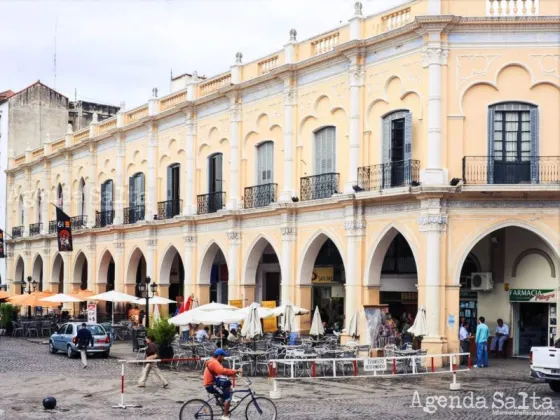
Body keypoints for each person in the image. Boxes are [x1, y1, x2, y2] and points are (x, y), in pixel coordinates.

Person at [203, 349, 242, 420]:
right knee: (228, 397)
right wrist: (234, 371)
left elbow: (221, 373)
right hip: (211, 385)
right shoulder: (215, 362)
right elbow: (222, 371)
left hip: (212, 383)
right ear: (219, 356)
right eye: (223, 356)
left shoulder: (213, 361)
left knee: (227, 383)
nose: (223, 358)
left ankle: (221, 401)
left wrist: (233, 373)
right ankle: (225, 416)